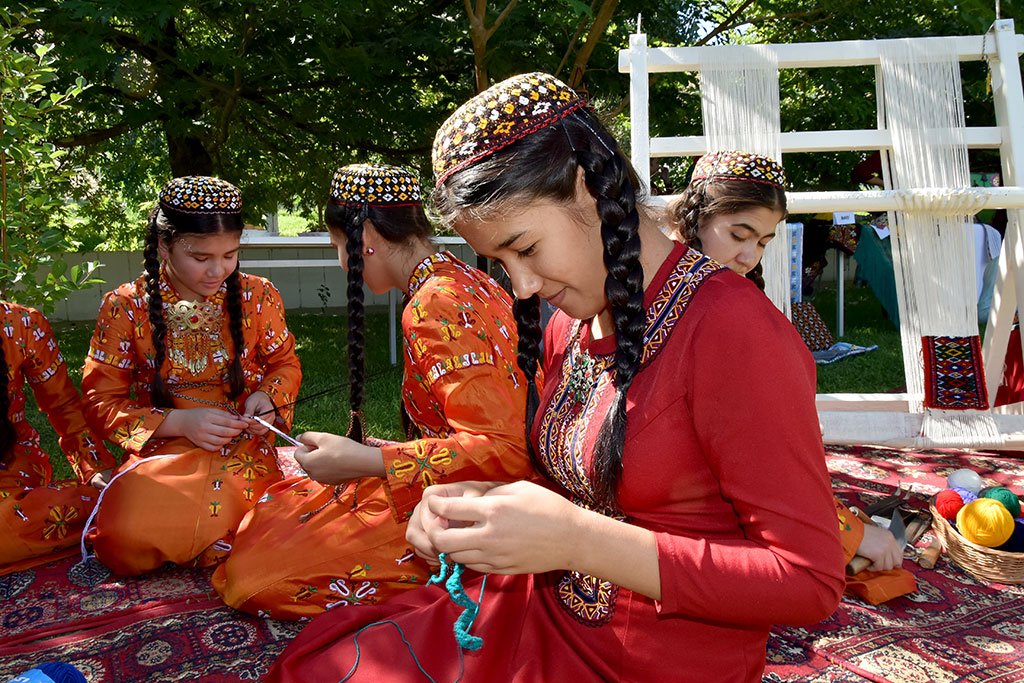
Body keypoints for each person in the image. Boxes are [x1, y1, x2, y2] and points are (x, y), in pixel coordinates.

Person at [267, 73, 844, 682]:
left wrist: (578, 542)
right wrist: (481, 504)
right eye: (501, 261)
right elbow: (576, 483)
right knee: (321, 667)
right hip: (543, 608)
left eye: (526, 247)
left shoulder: (734, 333)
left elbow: (807, 583)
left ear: (589, 189)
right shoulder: (572, 320)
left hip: (655, 663)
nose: (522, 285)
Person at [212, 163, 535, 620]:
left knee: (254, 578)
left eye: (339, 248)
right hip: (457, 479)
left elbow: (505, 449)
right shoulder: (462, 278)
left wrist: (364, 461)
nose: (343, 263)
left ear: (365, 236)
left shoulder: (433, 305)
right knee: (273, 515)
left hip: (487, 497)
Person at [669, 150, 913, 604]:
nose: (747, 256)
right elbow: (765, 447)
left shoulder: (710, 295)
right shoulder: (710, 309)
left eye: (762, 242)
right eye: (739, 235)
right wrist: (848, 533)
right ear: (694, 218)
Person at [80, 175, 302, 576]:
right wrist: (178, 421)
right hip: (162, 453)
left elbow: (284, 364)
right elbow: (99, 402)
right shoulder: (125, 306)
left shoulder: (259, 294)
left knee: (273, 527)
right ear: (164, 245)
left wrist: (267, 399)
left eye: (230, 255)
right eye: (200, 258)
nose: (217, 271)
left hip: (241, 452)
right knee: (120, 540)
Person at [0, 301, 116, 575]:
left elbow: (63, 406)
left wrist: (96, 468)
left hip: (10, 474)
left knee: (99, 507)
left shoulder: (22, 324)